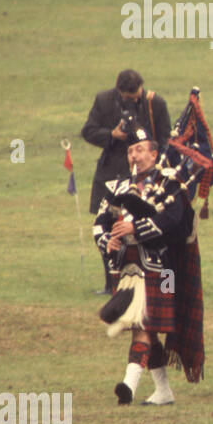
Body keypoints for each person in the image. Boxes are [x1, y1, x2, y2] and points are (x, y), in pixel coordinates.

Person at [93, 125, 205, 404]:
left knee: (145, 324)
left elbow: (174, 220)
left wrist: (135, 228)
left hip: (166, 270)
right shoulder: (116, 187)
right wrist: (109, 241)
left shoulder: (169, 183)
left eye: (140, 150)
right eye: (131, 150)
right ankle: (163, 391)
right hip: (130, 270)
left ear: (154, 154)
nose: (135, 155)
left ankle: (128, 386)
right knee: (145, 329)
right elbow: (99, 224)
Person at [81, 70, 171, 291]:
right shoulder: (103, 101)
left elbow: (166, 138)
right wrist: (112, 135)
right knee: (108, 225)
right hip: (112, 172)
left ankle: (154, 278)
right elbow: (88, 131)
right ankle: (112, 282)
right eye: (128, 97)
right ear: (119, 91)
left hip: (146, 174)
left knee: (148, 225)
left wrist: (154, 162)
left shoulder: (155, 103)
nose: (134, 99)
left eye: (136, 95)